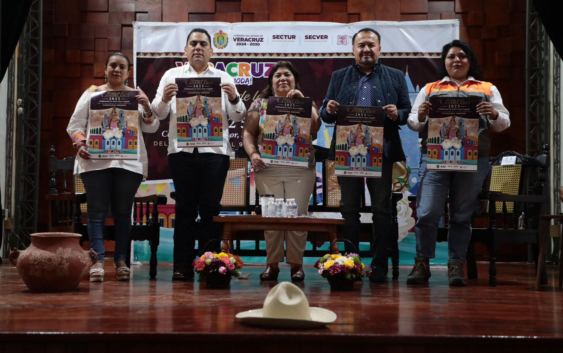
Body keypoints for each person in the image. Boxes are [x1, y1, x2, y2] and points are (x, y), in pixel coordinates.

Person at [407, 40, 510, 286]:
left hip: (473, 162)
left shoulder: (487, 88)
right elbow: (413, 122)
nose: (456, 60)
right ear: (444, 62)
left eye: (462, 56)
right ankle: (422, 264)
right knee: (427, 212)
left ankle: (456, 266)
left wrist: (494, 114)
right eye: (451, 56)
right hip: (435, 160)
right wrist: (420, 115)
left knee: (462, 216)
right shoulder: (431, 89)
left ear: (469, 60)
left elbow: (503, 122)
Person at [150, 28, 247, 281]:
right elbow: (157, 114)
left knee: (210, 210)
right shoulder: (171, 76)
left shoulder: (223, 77)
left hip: (215, 153)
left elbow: (239, 116)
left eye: (203, 44)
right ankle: (181, 266)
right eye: (193, 43)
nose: (198, 47)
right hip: (181, 151)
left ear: (211, 51)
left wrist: (235, 97)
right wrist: (164, 100)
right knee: (184, 209)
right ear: (185, 50)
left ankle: (210, 266)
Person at [319, 28, 412, 283]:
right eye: (361, 45)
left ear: (380, 49)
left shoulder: (394, 77)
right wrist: (328, 108)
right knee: (349, 210)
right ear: (353, 49)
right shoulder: (339, 77)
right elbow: (325, 112)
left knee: (382, 210)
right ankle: (351, 263)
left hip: (382, 153)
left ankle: (379, 265)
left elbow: (407, 110)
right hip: (348, 152)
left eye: (371, 44)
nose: (366, 49)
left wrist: (398, 114)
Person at [67, 52, 159, 282]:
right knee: (96, 213)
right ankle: (96, 261)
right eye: (112, 65)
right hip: (95, 162)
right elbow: (75, 125)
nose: (116, 70)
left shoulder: (137, 95)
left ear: (128, 72)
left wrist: (147, 107)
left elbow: (151, 127)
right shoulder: (92, 93)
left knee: (122, 212)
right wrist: (80, 143)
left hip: (129, 163)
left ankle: (120, 261)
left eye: (122, 67)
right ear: (105, 69)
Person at [243, 61, 322, 282]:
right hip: (268, 169)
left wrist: (304, 103)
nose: (283, 79)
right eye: (278, 76)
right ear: (271, 82)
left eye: (288, 75)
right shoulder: (260, 104)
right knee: (272, 217)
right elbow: (248, 133)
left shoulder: (306, 103)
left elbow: (315, 128)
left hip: (301, 170)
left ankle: (297, 265)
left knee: (298, 218)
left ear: (295, 80)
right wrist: (253, 154)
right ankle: (272, 265)